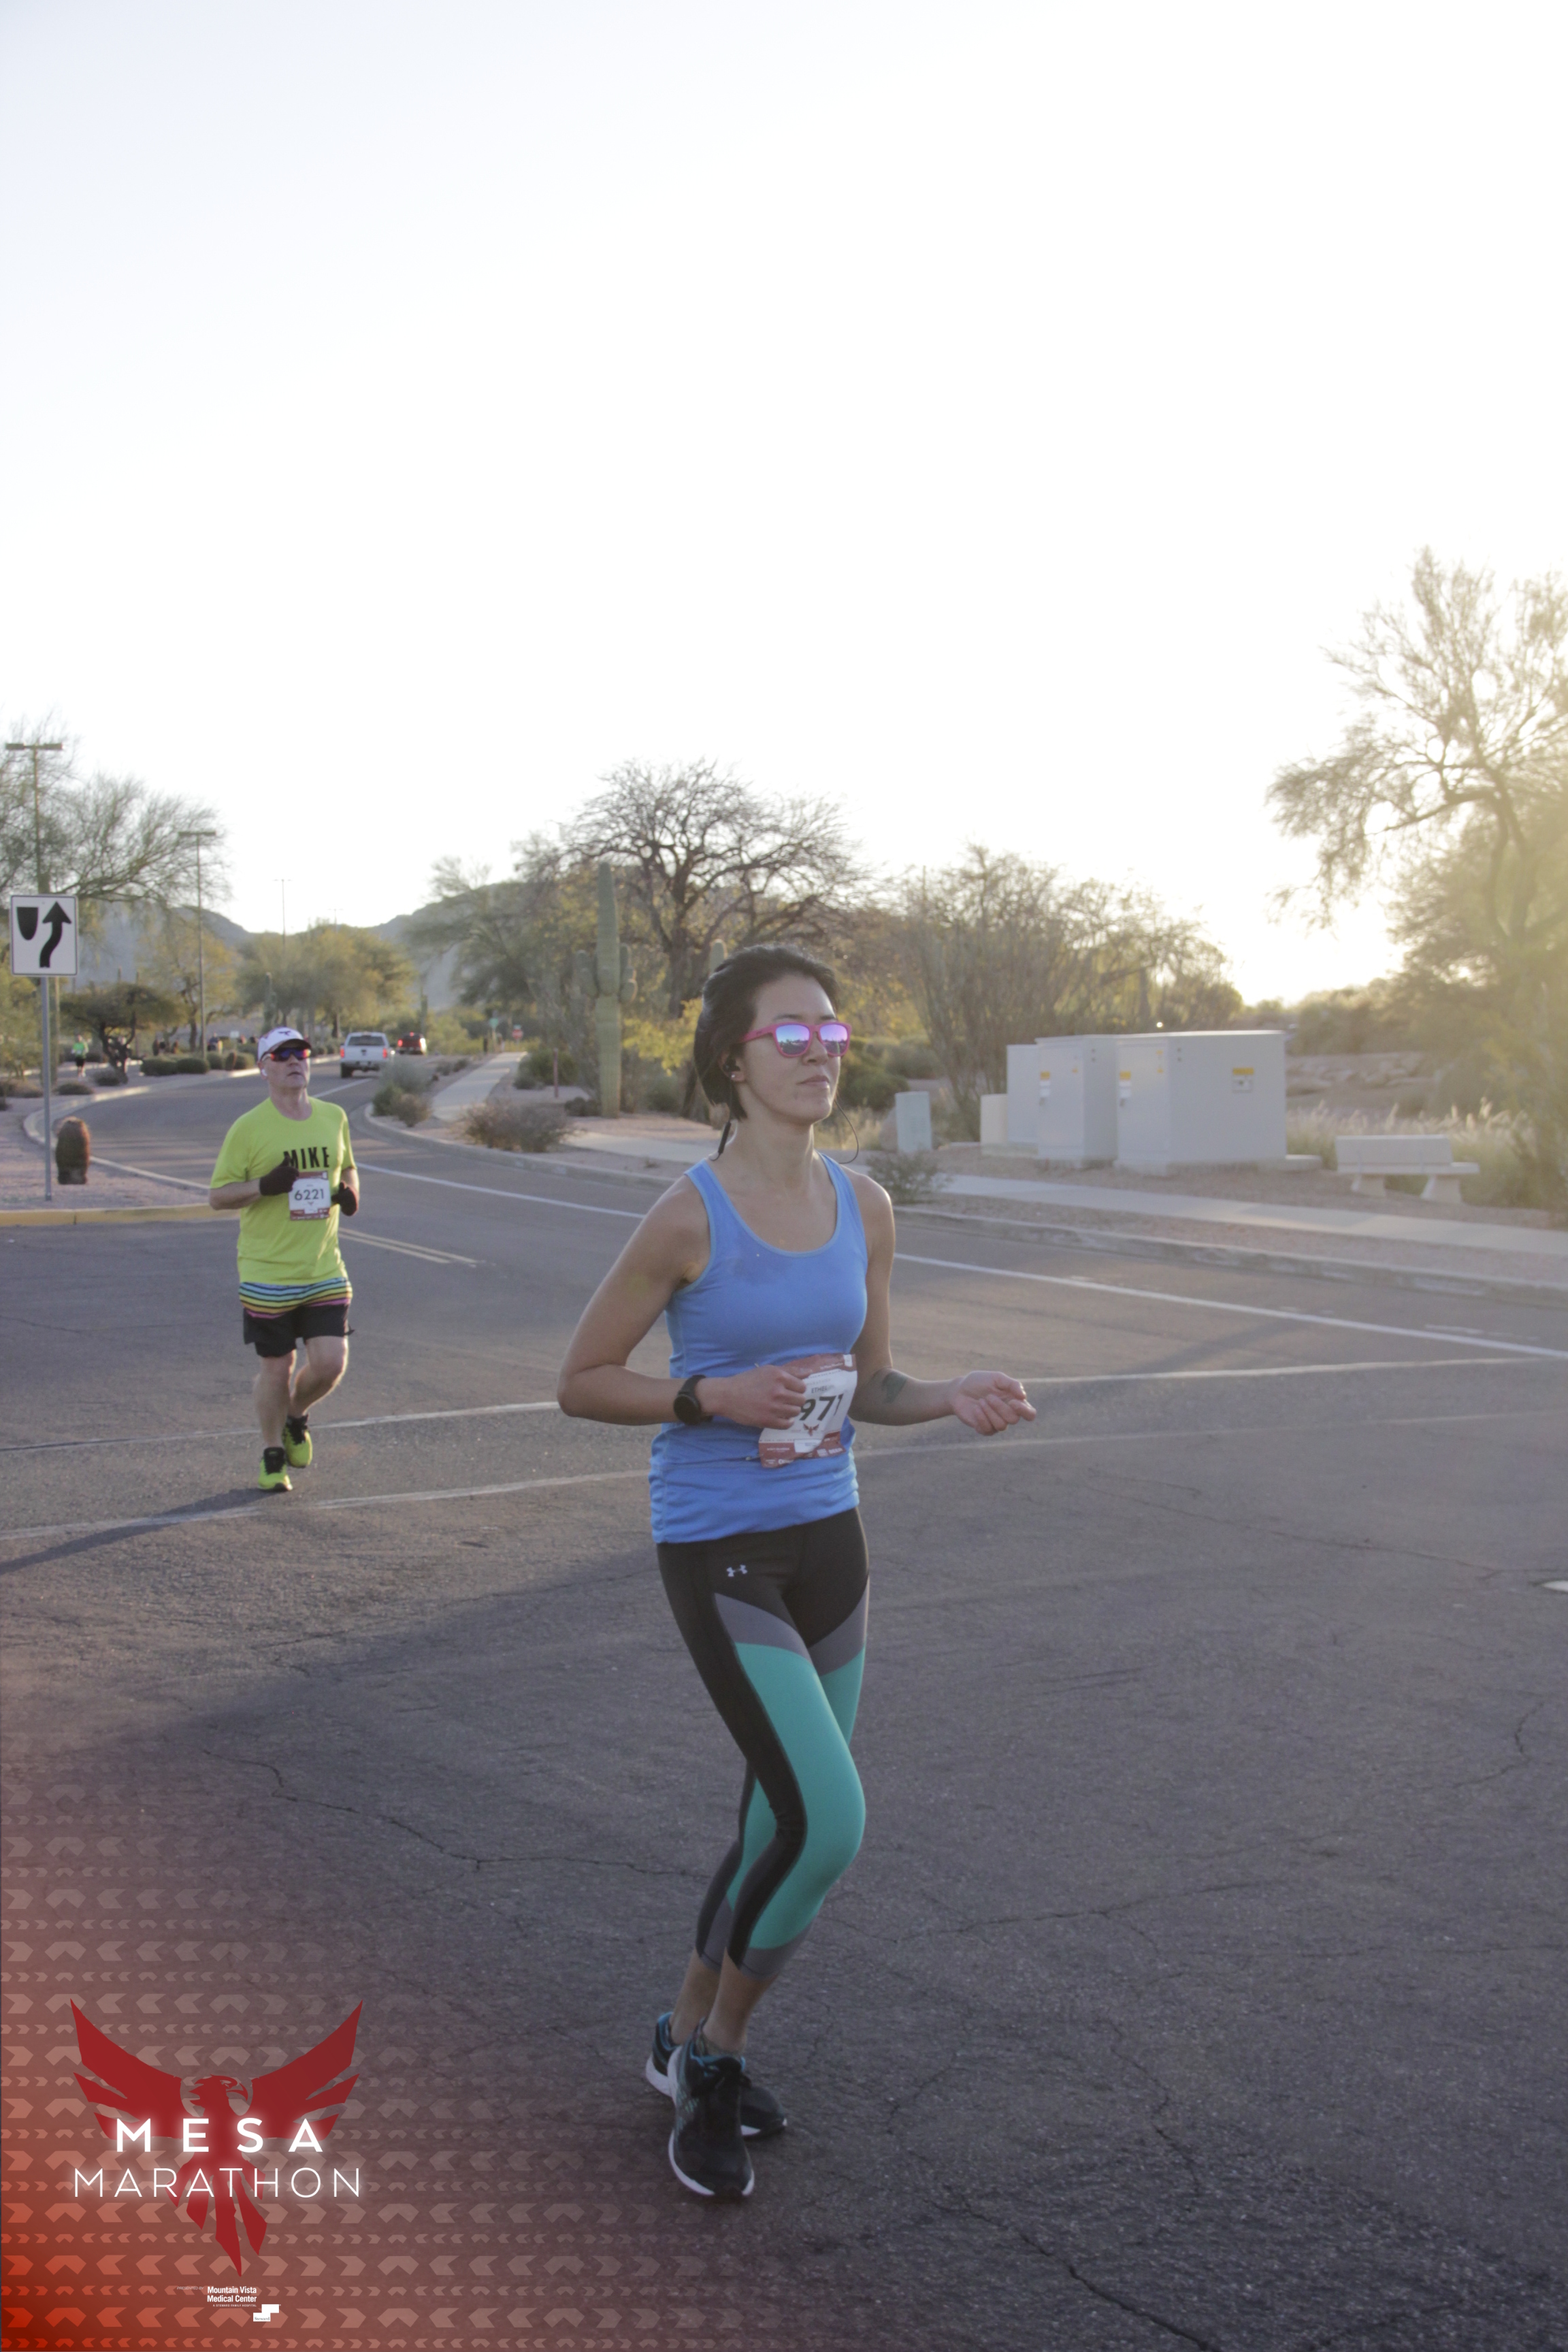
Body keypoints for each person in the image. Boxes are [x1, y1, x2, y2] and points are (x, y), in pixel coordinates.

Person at [558, 945, 1036, 2201]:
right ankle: (714, 2059)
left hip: (832, 1540)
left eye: (832, 1032)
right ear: (733, 1058)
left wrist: (948, 1395)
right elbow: (581, 1380)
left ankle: (677, 2035)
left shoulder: (865, 1206)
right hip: (719, 1546)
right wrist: (708, 1394)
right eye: (791, 1034)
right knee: (829, 1821)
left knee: (776, 1821)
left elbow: (868, 1384)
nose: (819, 1052)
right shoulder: (687, 1216)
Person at [208, 1024, 360, 1492]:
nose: (295, 1061)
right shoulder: (248, 1127)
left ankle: (297, 1414)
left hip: (323, 1266)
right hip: (268, 1273)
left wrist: (350, 1192)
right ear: (264, 1069)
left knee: (331, 1364)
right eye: (282, 1055)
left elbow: (348, 1166)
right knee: (277, 1368)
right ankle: (273, 1452)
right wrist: (263, 1186)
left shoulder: (334, 1116)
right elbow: (218, 1196)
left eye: (301, 1053)